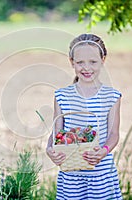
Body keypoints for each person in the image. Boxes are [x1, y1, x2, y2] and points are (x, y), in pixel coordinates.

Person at [46, 33, 123, 199]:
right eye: (80, 62)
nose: (86, 68)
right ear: (71, 62)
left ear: (103, 60)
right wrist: (50, 149)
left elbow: (114, 134)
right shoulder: (62, 96)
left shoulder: (112, 96)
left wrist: (104, 151)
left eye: (93, 62)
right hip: (72, 176)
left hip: (101, 174)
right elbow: (56, 133)